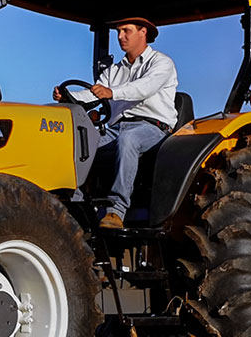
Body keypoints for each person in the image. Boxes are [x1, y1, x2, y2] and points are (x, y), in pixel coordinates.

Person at [55, 17, 178, 229]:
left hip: (153, 128)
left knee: (129, 139)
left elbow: (144, 87)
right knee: (79, 144)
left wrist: (113, 92)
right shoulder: (115, 70)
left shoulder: (161, 63)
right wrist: (68, 96)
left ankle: (116, 211)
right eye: (118, 31)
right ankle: (74, 206)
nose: (120, 36)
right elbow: (95, 93)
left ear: (143, 32)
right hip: (117, 127)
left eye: (126, 31)